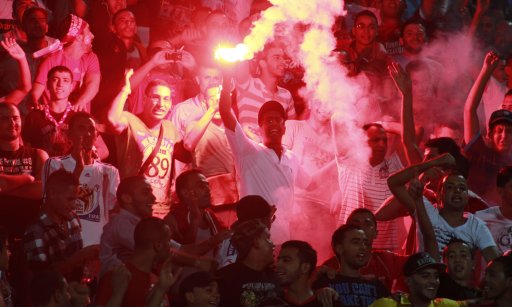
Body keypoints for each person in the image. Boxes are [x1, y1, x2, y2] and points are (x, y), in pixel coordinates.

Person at [383, 154, 501, 262]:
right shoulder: (425, 209)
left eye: (462, 188)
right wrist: (432, 163)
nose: (457, 191)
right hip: (427, 282)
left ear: (467, 196)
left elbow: (495, 263)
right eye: (450, 187)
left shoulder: (476, 226)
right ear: (439, 195)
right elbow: (394, 182)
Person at [107, 69, 188, 219]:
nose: (160, 104)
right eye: (155, 97)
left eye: (166, 99)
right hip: (134, 208)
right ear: (144, 99)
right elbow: (112, 120)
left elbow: (186, 157)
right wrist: (125, 90)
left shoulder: (170, 128)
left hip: (162, 208)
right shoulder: (130, 120)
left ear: (171, 103)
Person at [42, 112, 119, 247]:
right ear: (69, 134)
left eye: (91, 129)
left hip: (96, 247)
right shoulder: (54, 164)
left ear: (96, 135)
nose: (87, 134)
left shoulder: (109, 172)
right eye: (81, 129)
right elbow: (51, 203)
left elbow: (112, 212)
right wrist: (79, 168)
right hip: (64, 246)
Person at [170, 60, 238, 205]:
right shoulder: (182, 110)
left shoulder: (227, 111)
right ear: (197, 79)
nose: (212, 82)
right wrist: (179, 187)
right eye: (207, 77)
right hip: (194, 186)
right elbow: (175, 150)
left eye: (216, 78)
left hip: (229, 187)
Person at [334, 122, 404, 252]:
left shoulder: (393, 164)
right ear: (362, 141)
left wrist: (384, 124)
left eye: (384, 140)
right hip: (351, 243)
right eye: (376, 140)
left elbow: (416, 132)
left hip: (385, 247)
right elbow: (336, 119)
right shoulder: (350, 161)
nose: (382, 144)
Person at [282, 99, 337, 262]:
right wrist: (291, 201)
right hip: (298, 204)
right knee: (297, 260)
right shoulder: (293, 126)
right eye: (320, 101)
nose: (324, 107)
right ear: (311, 102)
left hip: (324, 209)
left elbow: (342, 171)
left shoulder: (335, 138)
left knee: (323, 261)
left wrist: (339, 192)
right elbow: (281, 163)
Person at [23, 170, 99, 280]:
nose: (74, 205)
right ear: (52, 193)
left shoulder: (73, 219)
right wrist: (80, 257)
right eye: (70, 199)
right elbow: (42, 278)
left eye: (76, 199)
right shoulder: (36, 230)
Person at [95, 217, 180, 307]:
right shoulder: (117, 277)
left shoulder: (159, 281)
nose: (170, 246)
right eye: (168, 241)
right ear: (158, 246)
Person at [464, 51, 512, 205]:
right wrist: (485, 71)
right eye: (499, 131)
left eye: (509, 132)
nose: (504, 136)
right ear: (490, 134)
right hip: (475, 222)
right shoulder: (479, 152)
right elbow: (469, 110)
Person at [29, 14, 100, 112]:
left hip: (79, 122)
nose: (92, 35)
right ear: (79, 37)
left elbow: (93, 84)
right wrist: (36, 105)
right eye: (88, 32)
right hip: (53, 121)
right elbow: (35, 94)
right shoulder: (51, 60)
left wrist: (80, 102)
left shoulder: (90, 57)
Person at [314, 224, 389, 307]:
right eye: (356, 242)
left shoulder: (376, 284)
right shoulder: (325, 282)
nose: (363, 247)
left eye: (365, 243)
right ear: (339, 249)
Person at [235, 41, 296, 142]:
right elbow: (242, 55)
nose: (283, 62)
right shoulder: (247, 84)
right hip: (248, 153)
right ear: (262, 63)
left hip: (273, 155)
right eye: (277, 57)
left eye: (283, 58)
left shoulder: (286, 95)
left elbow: (293, 130)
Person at [216, 219, 278, 307]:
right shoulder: (225, 278)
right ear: (256, 242)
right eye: (268, 238)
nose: (273, 244)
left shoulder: (276, 276)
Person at [371, 252, 463, 307]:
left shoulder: (446, 305)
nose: (433, 281)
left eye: (436, 276)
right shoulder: (388, 304)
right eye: (425, 275)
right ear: (408, 281)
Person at [264, 240, 337, 307]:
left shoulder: (326, 301)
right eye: (278, 260)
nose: (278, 264)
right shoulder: (273, 302)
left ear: (305, 267)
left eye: (286, 260)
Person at [216, 195, 276, 268]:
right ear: (262, 220)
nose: (273, 245)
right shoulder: (240, 242)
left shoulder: (229, 238)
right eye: (268, 218)